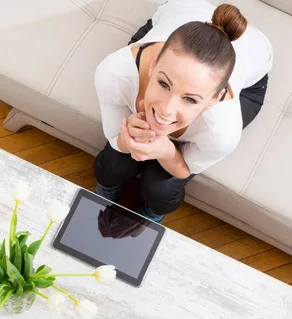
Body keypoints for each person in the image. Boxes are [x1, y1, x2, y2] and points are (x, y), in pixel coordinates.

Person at [93, 0, 273, 223]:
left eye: (189, 99)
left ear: (214, 99)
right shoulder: (114, 74)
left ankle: (151, 215)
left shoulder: (222, 129)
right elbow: (114, 139)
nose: (166, 110)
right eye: (163, 84)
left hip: (246, 86)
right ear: (153, 65)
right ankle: (107, 193)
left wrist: (166, 150)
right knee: (113, 164)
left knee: (159, 188)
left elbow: (184, 169)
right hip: (177, 20)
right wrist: (128, 139)